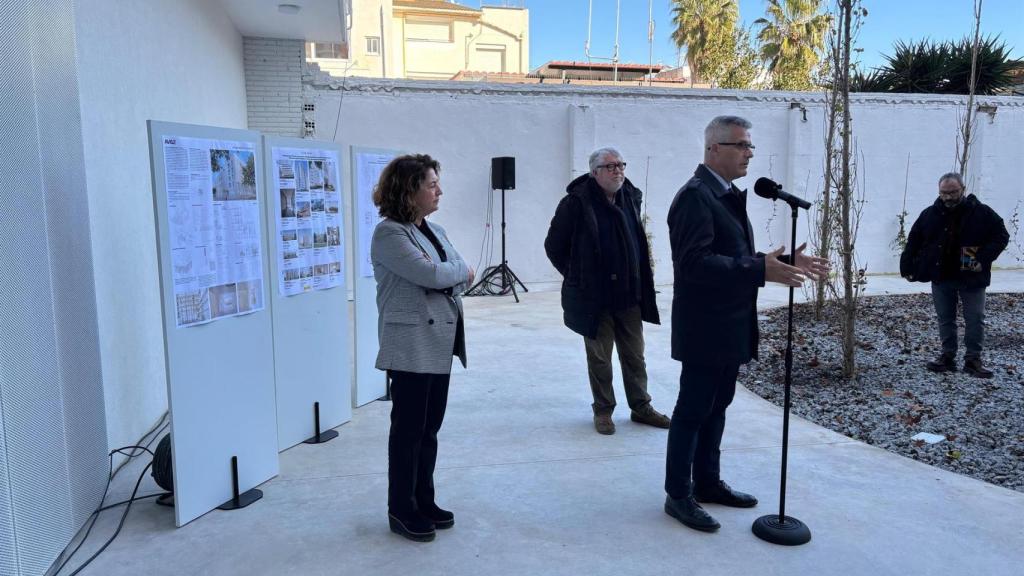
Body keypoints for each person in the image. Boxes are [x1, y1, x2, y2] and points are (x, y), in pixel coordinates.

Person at [664, 116, 828, 532]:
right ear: (713, 149)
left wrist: (782, 263)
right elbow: (693, 264)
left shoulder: (726, 195)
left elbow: (732, 257)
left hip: (730, 322)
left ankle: (706, 482)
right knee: (692, 410)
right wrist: (760, 268)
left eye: (750, 146)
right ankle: (678, 495)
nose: (749, 153)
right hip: (704, 326)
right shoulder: (695, 197)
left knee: (717, 407)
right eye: (740, 145)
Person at [371, 154, 475, 543]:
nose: (439, 190)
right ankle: (401, 508)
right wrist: (454, 276)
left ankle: (424, 499)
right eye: (431, 184)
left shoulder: (435, 229)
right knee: (408, 432)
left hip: (439, 341)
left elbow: (460, 268)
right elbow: (433, 273)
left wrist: (452, 276)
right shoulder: (389, 234)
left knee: (429, 429)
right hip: (411, 343)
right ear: (409, 190)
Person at [544, 147, 671, 435]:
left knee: (635, 356)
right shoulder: (576, 203)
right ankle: (603, 411)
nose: (618, 171)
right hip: (595, 298)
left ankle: (641, 407)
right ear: (595, 172)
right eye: (610, 166)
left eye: (621, 165)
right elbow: (554, 246)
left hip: (628, 295)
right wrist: (578, 276)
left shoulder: (630, 197)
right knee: (600, 358)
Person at [899, 172, 1009, 378]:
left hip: (972, 276)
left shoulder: (982, 212)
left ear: (963, 190)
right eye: (944, 193)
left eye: (953, 192)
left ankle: (973, 359)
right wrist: (908, 268)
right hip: (941, 275)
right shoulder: (929, 214)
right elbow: (913, 241)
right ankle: (947, 356)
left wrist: (982, 258)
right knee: (945, 318)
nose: (948, 197)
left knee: (975, 318)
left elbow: (1001, 235)